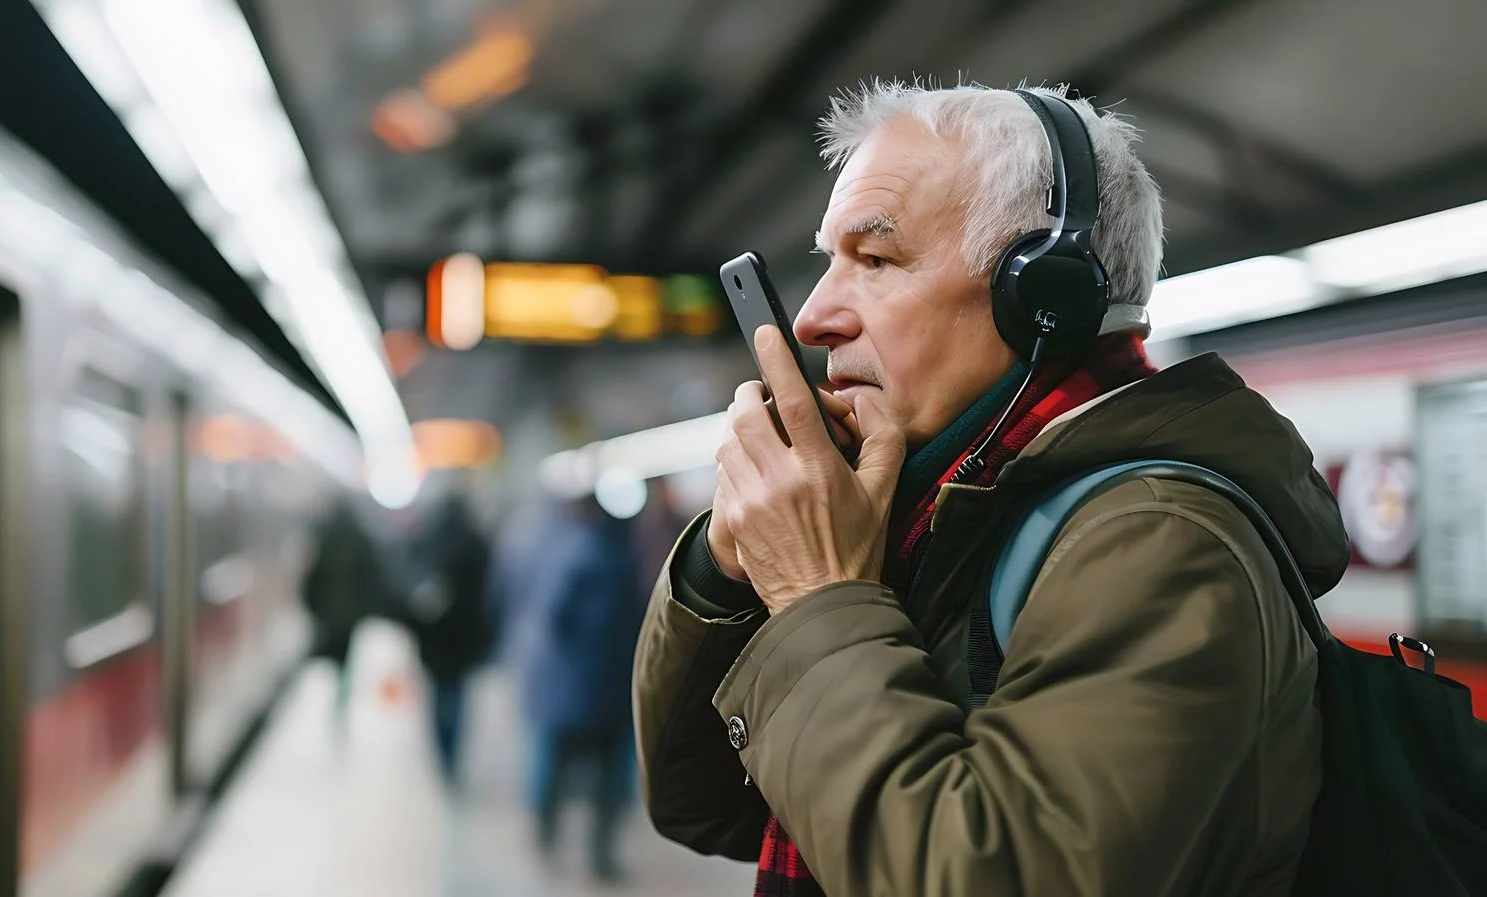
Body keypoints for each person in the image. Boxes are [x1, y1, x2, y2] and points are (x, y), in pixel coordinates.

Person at [633, 82, 1350, 897]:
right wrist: (727, 573)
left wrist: (815, 594)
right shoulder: (931, 514)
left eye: (874, 260)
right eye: (825, 262)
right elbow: (703, 803)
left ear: (1041, 296)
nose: (813, 316)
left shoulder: (1160, 545)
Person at [518, 494, 646, 883]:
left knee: (554, 763)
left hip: (566, 683)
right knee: (608, 774)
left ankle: (546, 832)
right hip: (603, 682)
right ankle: (600, 853)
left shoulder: (560, 549)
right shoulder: (613, 557)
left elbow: (552, 616)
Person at [395, 490, 494, 788]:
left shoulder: (428, 540)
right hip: (463, 639)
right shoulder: (476, 541)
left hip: (434, 639)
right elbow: (489, 594)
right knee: (457, 697)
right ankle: (452, 753)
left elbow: (407, 584)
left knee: (439, 696)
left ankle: (442, 754)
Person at [302, 498, 384, 732]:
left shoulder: (326, 542)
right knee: (346, 660)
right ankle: (341, 700)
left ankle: (334, 701)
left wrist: (314, 608)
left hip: (329, 615)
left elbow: (313, 580)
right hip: (352, 617)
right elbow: (373, 580)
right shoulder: (363, 541)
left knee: (331, 657)